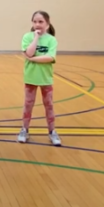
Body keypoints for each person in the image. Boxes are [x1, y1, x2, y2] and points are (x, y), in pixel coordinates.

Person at [19, 11, 61, 146]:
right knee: (28, 104)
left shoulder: (52, 40)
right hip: (31, 77)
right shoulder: (27, 37)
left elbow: (50, 58)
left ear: (47, 24)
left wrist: (32, 59)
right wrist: (35, 38)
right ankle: (24, 130)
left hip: (45, 78)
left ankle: (52, 132)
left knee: (49, 105)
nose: (37, 24)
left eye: (41, 22)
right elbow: (29, 52)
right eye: (35, 21)